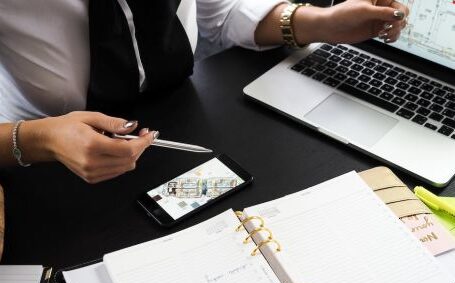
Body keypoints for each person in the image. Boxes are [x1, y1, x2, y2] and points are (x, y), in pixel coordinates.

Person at [0, 0, 408, 183]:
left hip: (186, 121)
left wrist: (319, 23)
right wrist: (40, 139)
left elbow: (222, 12)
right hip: (44, 170)